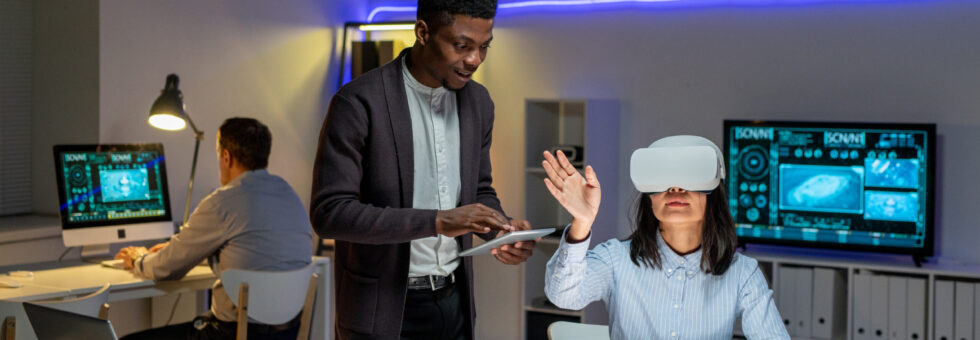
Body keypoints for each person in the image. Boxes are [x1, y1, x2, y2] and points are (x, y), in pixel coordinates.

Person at [310, 1, 536, 339]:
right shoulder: (358, 102)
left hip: (454, 303)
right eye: (462, 46)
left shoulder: (479, 103)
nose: (474, 60)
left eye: (483, 47)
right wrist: (438, 221)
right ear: (422, 32)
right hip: (381, 310)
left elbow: (479, 188)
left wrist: (499, 229)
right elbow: (330, 213)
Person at [541, 135, 789, 339]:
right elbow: (563, 296)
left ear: (713, 192)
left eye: (691, 175)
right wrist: (582, 222)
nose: (675, 188)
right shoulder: (616, 259)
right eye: (662, 176)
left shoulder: (742, 274)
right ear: (650, 195)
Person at [116, 117, 313, 340]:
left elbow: (166, 269)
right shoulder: (290, 196)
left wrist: (137, 259)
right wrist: (181, 248)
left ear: (226, 156)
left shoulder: (223, 202)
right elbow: (250, 252)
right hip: (286, 334)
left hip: (230, 334)